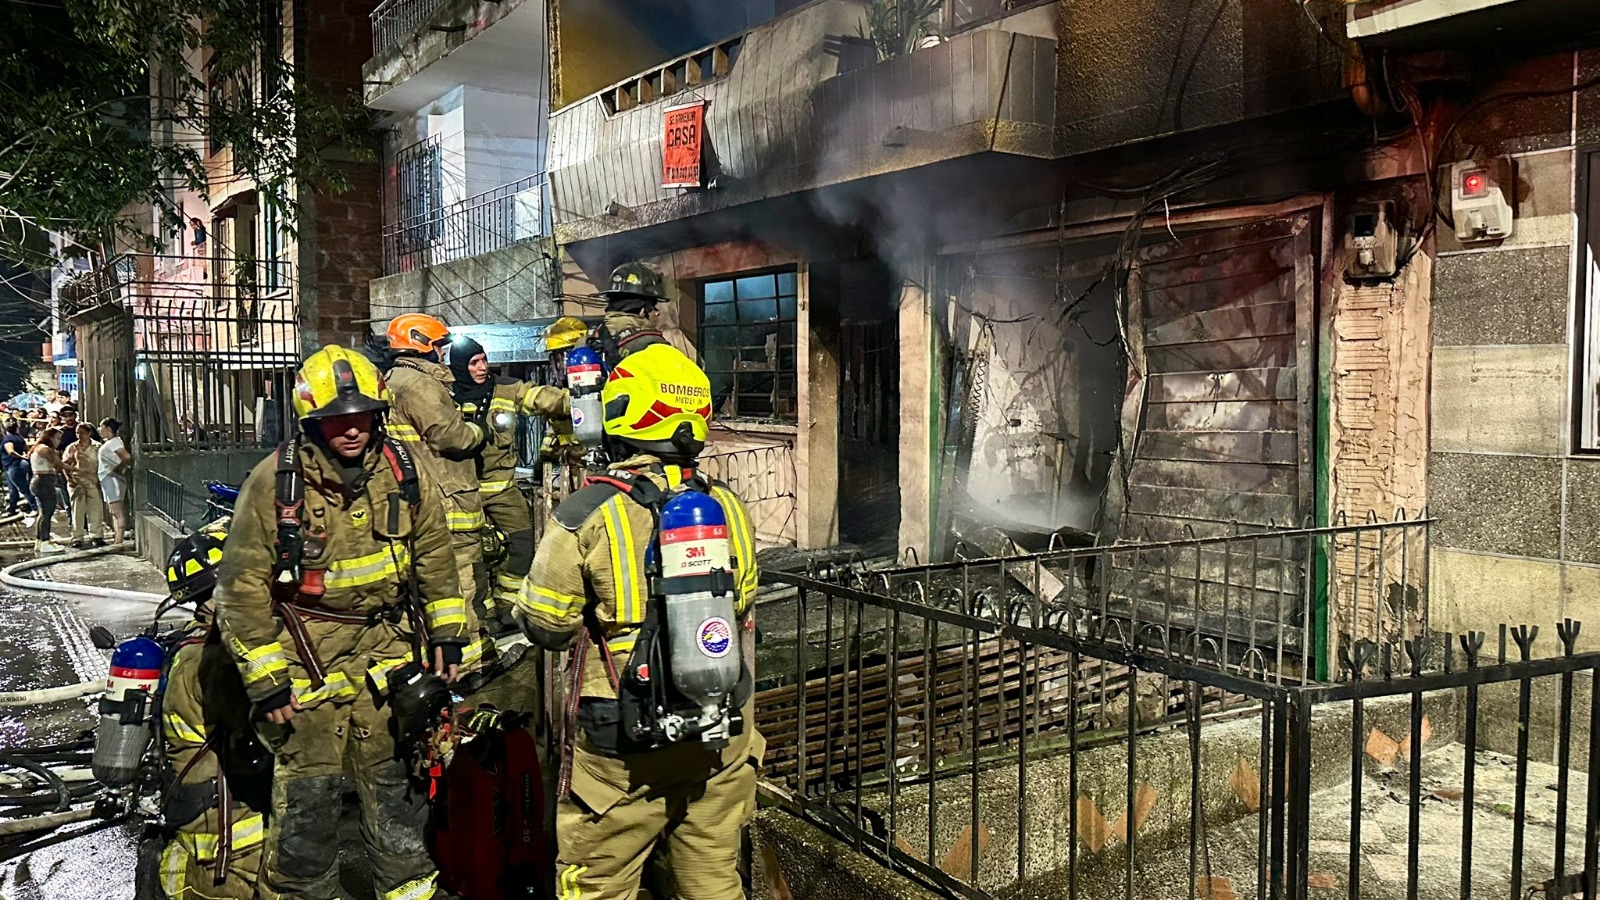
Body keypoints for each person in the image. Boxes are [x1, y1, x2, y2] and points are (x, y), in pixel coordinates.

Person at [214, 345, 469, 900]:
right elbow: (239, 588)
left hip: (388, 655)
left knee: (397, 789)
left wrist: (448, 632)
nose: (351, 431)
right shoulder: (273, 484)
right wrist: (266, 678)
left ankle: (409, 891)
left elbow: (435, 554)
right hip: (308, 659)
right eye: (336, 421)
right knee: (310, 803)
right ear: (313, 422)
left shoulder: (403, 470)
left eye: (361, 418)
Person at [514, 343, 763, 900]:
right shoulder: (727, 505)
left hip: (625, 744)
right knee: (711, 878)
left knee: (597, 885)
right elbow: (742, 599)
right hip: (721, 727)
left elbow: (546, 624)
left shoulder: (588, 511)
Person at [149, 528, 272, 900]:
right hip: (225, 818)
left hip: (201, 803)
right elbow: (273, 730)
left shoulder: (195, 640)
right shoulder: (212, 658)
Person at [379, 314, 496, 630]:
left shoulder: (392, 380)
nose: (443, 353)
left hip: (417, 494)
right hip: (448, 499)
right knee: (461, 578)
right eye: (439, 346)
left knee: (424, 579)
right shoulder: (420, 384)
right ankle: (469, 658)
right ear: (422, 346)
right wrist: (478, 430)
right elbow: (451, 437)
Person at [447, 333, 568, 632]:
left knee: (524, 544)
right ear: (460, 367)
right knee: (471, 557)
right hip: (462, 493)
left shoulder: (505, 389)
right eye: (473, 363)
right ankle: (481, 616)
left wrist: (581, 399)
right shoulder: (443, 397)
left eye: (484, 360)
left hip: (502, 489)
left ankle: (507, 606)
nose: (481, 368)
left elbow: (541, 397)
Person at [63, 423, 103, 548]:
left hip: (93, 480)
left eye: (82, 433)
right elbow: (65, 464)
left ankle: (96, 535)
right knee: (77, 510)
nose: (79, 435)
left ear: (89, 433)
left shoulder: (97, 446)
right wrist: (69, 479)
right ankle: (77, 536)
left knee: (95, 508)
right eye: (77, 433)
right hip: (77, 481)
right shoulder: (72, 447)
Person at [28, 427, 64, 552]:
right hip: (44, 481)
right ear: (50, 437)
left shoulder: (37, 448)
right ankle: (45, 542)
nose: (59, 442)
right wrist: (74, 469)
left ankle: (39, 541)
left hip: (38, 481)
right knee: (47, 513)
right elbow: (58, 463)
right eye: (57, 438)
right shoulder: (45, 449)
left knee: (42, 513)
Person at [98, 418, 132, 542]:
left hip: (113, 479)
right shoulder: (111, 442)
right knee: (114, 511)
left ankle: (119, 540)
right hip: (107, 478)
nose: (100, 430)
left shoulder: (114, 442)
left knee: (117, 512)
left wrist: (118, 469)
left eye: (101, 428)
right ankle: (117, 537)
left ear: (108, 429)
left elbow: (126, 456)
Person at [2, 421, 35, 514]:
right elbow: (27, 449)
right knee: (13, 489)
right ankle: (12, 509)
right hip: (17, 465)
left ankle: (35, 507)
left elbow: (11, 451)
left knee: (23, 488)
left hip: (14, 465)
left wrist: (21, 457)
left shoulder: (8, 439)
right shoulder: (19, 437)